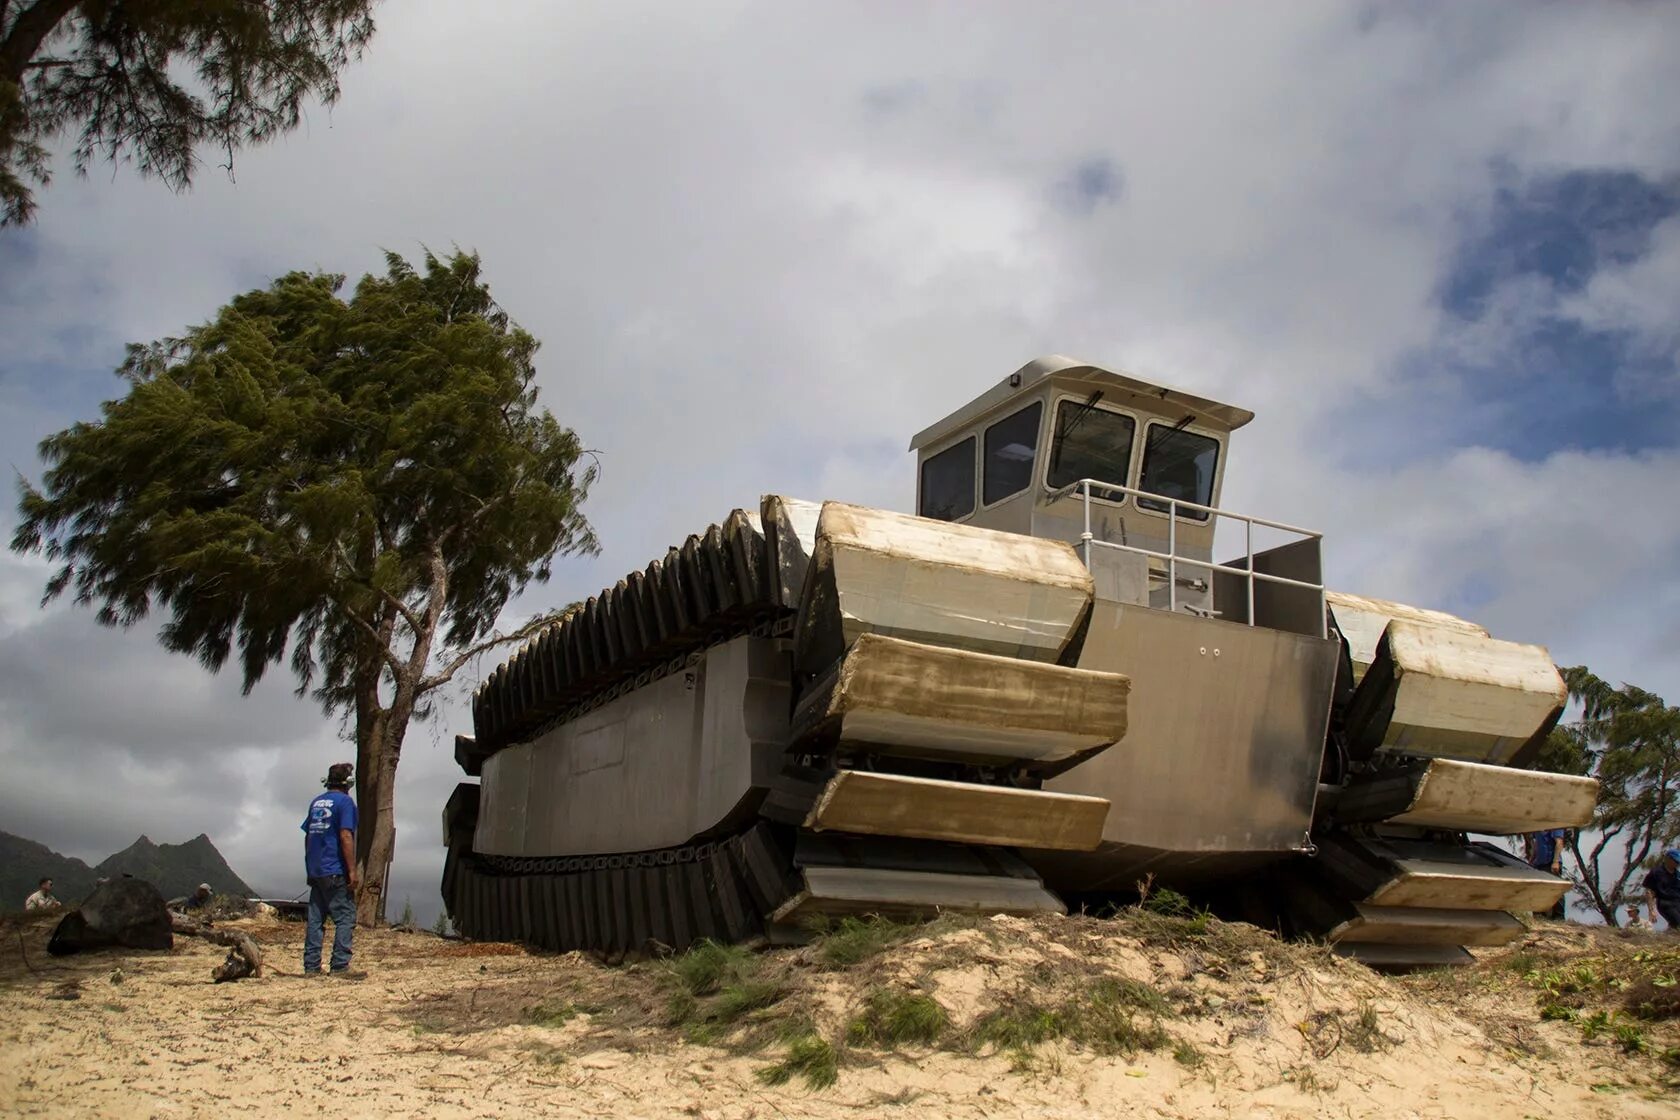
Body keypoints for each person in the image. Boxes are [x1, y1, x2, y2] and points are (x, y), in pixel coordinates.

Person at [302, 761, 361, 976]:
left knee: (316, 919)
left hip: (316, 869)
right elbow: (346, 835)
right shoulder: (345, 803)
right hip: (335, 868)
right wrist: (352, 870)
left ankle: (311, 966)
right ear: (347, 783)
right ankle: (339, 965)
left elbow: (308, 835)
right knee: (345, 917)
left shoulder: (316, 803)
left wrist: (310, 866)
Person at [1526, 827, 1567, 920]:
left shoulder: (1555, 825)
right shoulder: (1537, 825)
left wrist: (1555, 861)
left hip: (1550, 862)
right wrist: (1532, 860)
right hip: (1539, 862)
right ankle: (1539, 916)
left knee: (1555, 889)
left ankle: (1559, 917)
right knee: (1537, 890)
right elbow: (1536, 844)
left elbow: (1559, 842)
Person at [1643, 849, 1680, 931]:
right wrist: (1651, 910)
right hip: (1665, 903)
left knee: (1674, 926)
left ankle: (1668, 938)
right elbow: (1649, 891)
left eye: (1678, 862)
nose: (1677, 864)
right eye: (1675, 861)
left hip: (1677, 902)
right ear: (1667, 858)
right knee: (1677, 923)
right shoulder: (1656, 872)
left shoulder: (1678, 875)